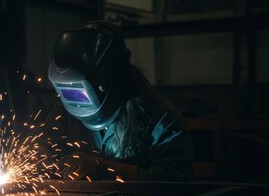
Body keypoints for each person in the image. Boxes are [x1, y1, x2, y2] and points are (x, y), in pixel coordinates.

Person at [35, 21, 194, 181]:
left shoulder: (159, 115)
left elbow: (177, 178)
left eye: (84, 89)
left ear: (109, 78)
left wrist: (104, 169)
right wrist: (40, 158)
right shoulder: (65, 111)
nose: (77, 100)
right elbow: (41, 147)